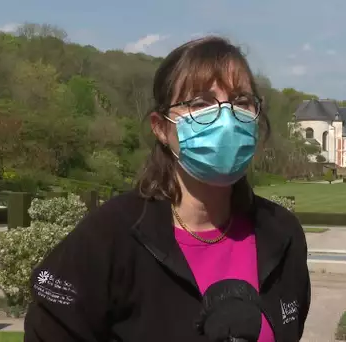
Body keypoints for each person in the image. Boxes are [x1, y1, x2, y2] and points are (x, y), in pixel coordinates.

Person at [24, 36, 311, 342]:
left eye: (241, 101)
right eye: (201, 103)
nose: (227, 119)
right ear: (161, 128)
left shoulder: (282, 235)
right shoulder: (108, 237)